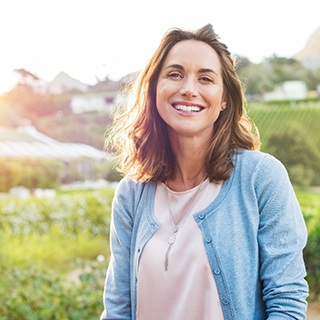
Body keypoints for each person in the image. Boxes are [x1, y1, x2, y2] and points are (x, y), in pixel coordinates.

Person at [100, 24, 309, 320]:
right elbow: (118, 309)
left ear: (224, 98)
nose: (188, 88)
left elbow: (286, 301)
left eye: (206, 78)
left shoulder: (260, 178)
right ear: (154, 89)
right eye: (174, 74)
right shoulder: (132, 193)